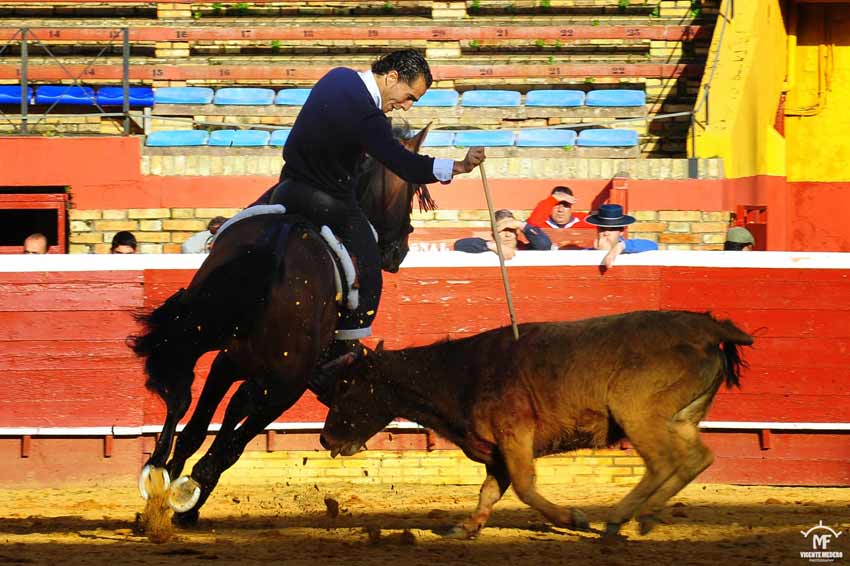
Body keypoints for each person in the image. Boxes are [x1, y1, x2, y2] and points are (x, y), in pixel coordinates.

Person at [248, 50, 485, 393]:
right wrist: (459, 167)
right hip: (327, 201)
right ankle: (342, 349)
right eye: (408, 97)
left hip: (285, 189)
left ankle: (236, 220)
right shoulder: (370, 118)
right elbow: (403, 164)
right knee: (370, 259)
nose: (406, 106)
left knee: (256, 217)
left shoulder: (336, 76)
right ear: (391, 77)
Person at [454, 209, 552, 260]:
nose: (508, 235)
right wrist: (493, 246)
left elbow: (545, 245)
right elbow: (459, 245)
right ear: (493, 235)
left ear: (517, 232)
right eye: (503, 230)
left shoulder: (527, 248)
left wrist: (521, 224)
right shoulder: (490, 248)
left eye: (511, 229)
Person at [585, 204, 657, 269]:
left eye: (612, 229)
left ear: (621, 231)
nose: (606, 233)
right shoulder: (586, 253)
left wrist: (621, 246)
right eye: (602, 229)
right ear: (597, 229)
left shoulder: (630, 248)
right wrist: (598, 253)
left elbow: (653, 246)